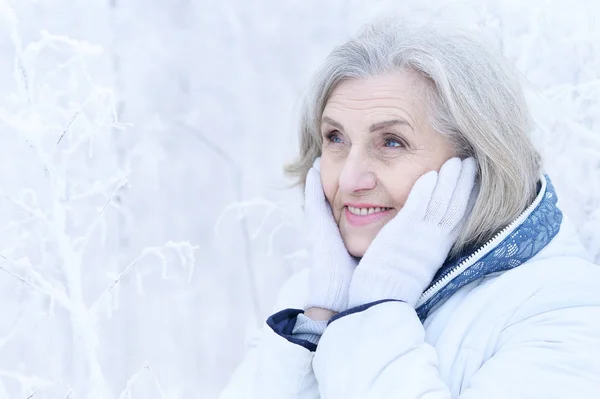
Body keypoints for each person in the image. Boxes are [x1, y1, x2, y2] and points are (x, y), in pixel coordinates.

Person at [218, 19, 600, 399]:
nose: (350, 179)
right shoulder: (308, 293)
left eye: (392, 142)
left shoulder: (566, 311)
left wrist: (375, 310)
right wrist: (320, 320)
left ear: (476, 161)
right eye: (336, 138)